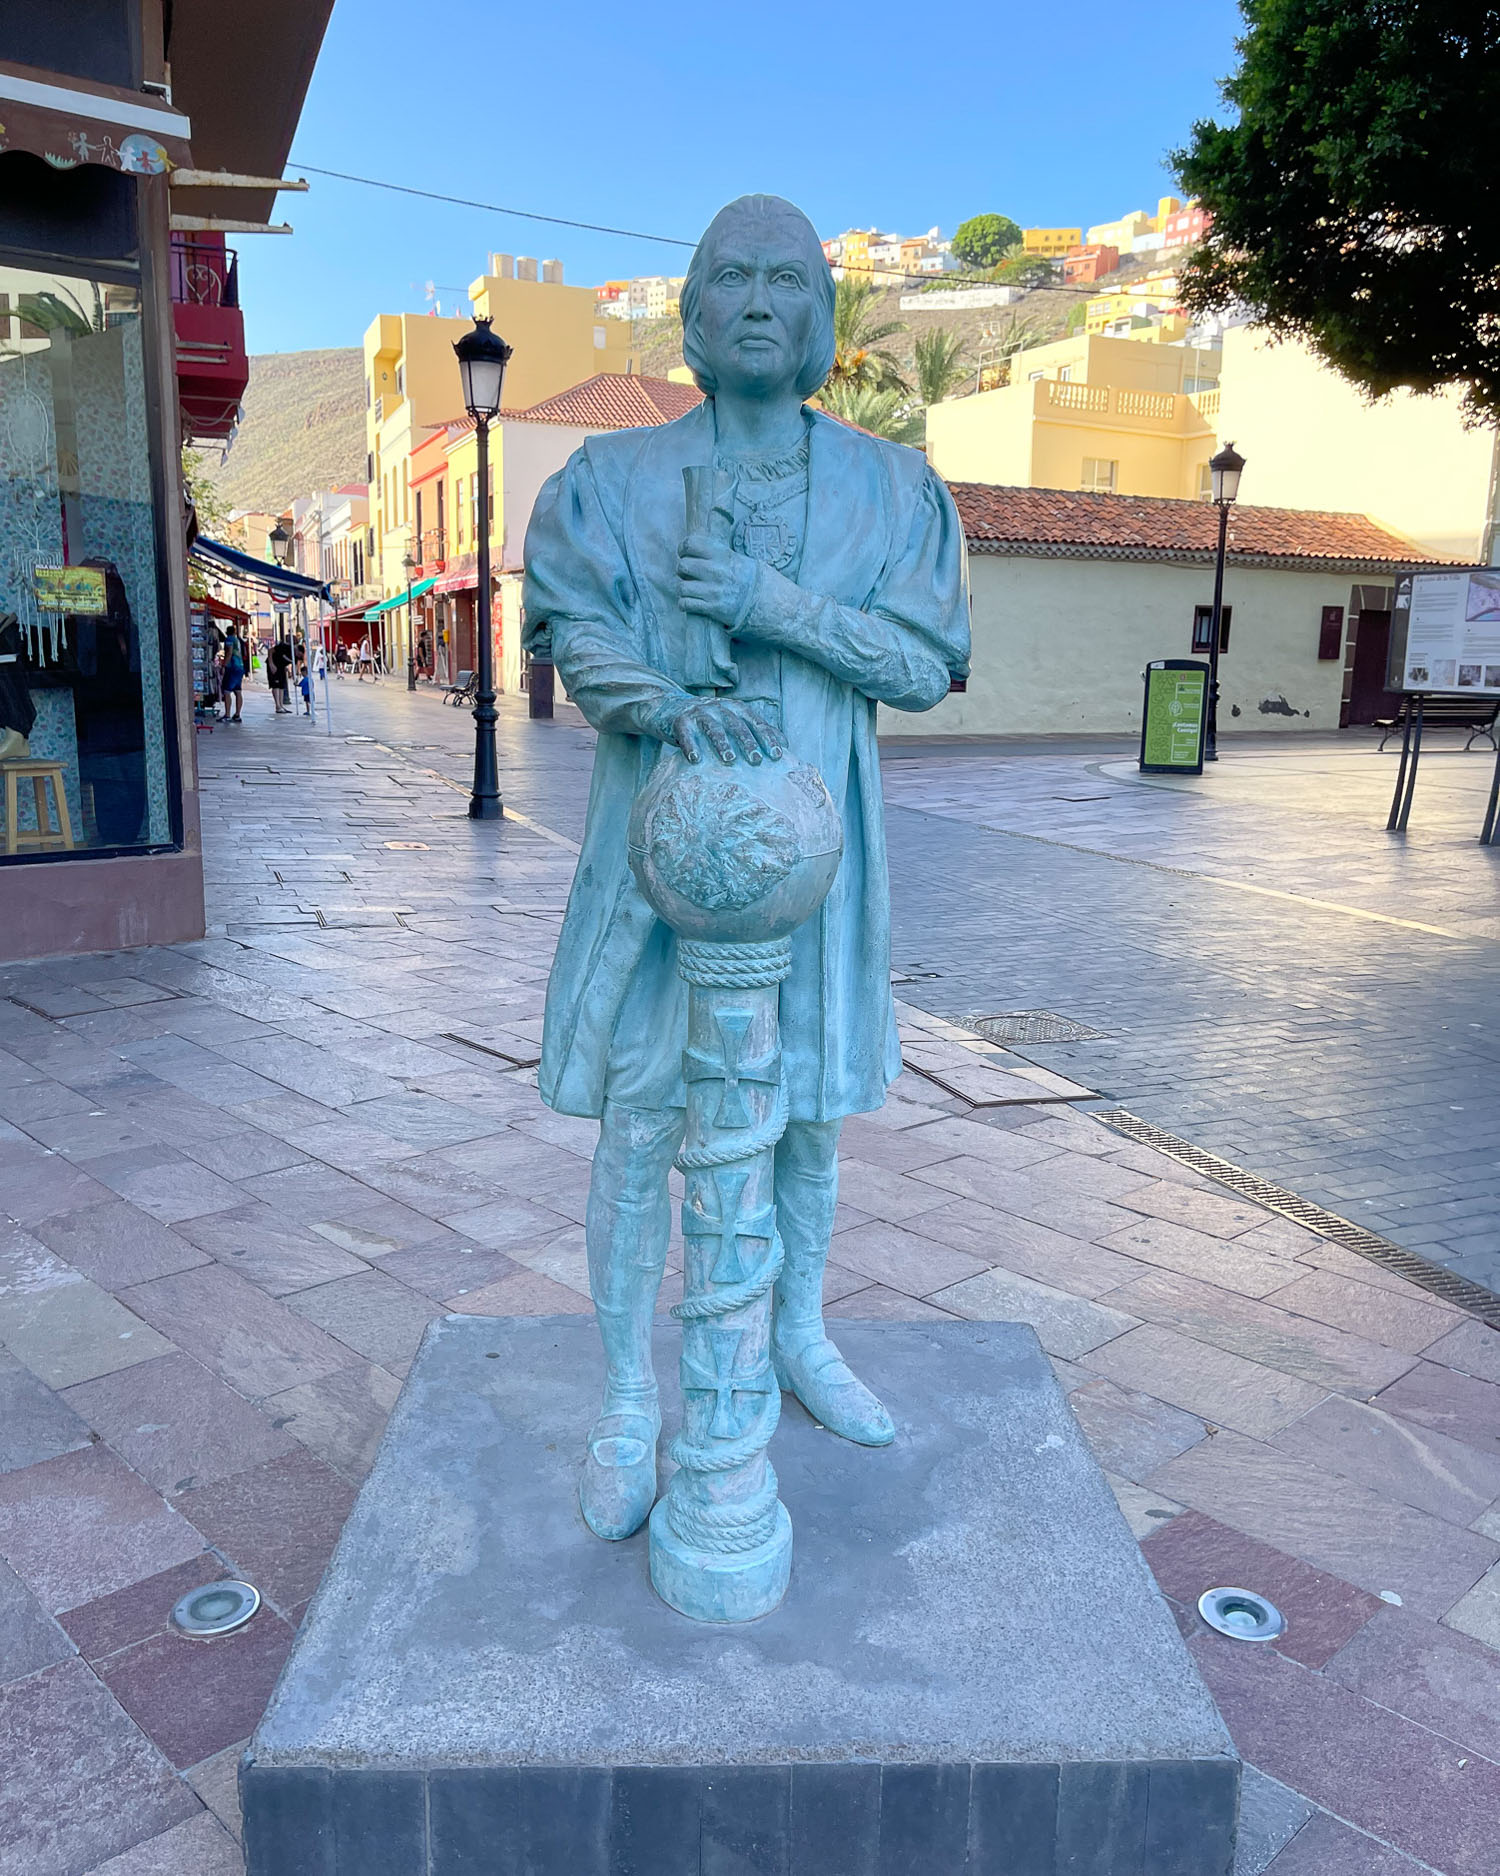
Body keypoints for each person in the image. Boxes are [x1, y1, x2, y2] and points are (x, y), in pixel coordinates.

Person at [522, 194, 968, 1540]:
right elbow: (573, 631)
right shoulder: (607, 480)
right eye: (733, 277)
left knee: (809, 1111)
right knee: (640, 1114)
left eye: (788, 279)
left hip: (814, 863)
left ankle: (799, 1333)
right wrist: (666, 704)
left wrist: (774, 606)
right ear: (695, 315)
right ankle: (624, 1396)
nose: (760, 299)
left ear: (821, 315)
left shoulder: (896, 488)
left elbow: (926, 666)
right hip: (661, 856)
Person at [218, 626, 245, 723]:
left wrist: (224, 665)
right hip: (240, 666)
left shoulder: (229, 639)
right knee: (238, 691)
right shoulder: (237, 640)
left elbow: (229, 652)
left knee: (227, 691)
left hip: (232, 667)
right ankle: (237, 714)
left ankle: (227, 714)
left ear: (226, 632)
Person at [267, 636, 293, 713]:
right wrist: (271, 664)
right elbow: (270, 650)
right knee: (276, 685)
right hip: (274, 664)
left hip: (281, 666)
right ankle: (278, 706)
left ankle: (281, 705)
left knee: (281, 685)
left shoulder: (292, 652)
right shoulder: (284, 647)